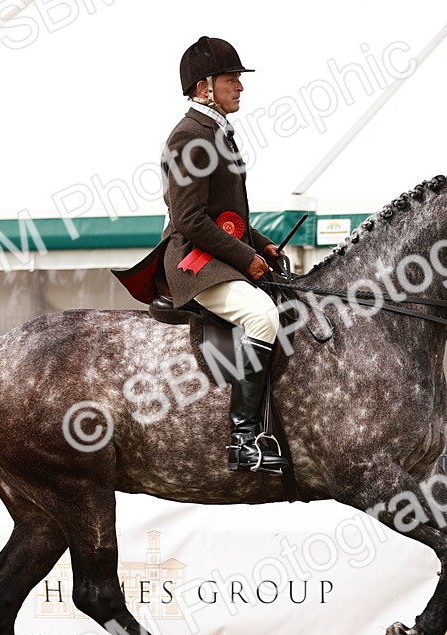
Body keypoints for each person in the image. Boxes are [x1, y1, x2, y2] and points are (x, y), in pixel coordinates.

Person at [158, 36, 289, 475]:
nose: (240, 86)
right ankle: (243, 439)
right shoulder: (189, 137)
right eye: (231, 79)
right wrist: (246, 257)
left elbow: (224, 214)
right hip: (193, 261)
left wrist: (261, 242)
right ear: (203, 87)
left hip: (219, 250)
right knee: (262, 318)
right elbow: (191, 219)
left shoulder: (216, 132)